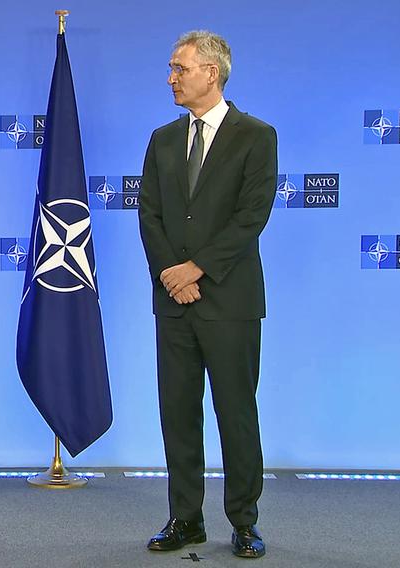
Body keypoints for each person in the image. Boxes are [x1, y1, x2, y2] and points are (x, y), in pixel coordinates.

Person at [138, 30, 277, 559]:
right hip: (172, 302)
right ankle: (185, 519)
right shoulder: (162, 139)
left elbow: (251, 218)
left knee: (235, 412)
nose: (170, 77)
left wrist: (198, 269)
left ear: (210, 73)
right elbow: (149, 214)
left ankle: (244, 521)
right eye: (172, 68)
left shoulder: (255, 136)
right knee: (177, 412)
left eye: (180, 68)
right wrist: (172, 274)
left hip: (230, 301)